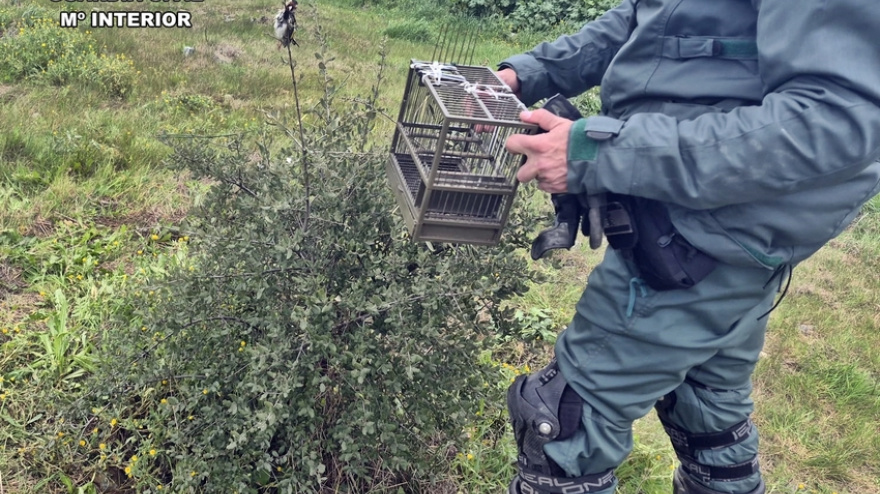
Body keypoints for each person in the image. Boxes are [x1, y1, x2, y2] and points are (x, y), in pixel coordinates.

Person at [496, 1, 880, 493]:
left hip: (706, 232)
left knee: (566, 424)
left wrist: (598, 152)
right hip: (708, 225)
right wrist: (526, 74)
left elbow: (834, 121)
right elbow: (651, 18)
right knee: (708, 412)